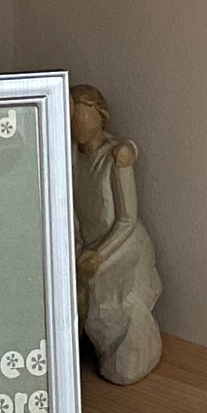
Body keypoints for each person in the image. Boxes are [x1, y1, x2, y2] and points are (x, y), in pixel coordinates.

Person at [69, 84, 163, 385]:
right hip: (90, 248)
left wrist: (99, 254)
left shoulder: (117, 155)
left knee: (115, 314)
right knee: (83, 306)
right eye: (72, 119)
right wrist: (77, 246)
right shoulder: (71, 157)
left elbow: (127, 219)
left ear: (101, 115)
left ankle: (133, 354)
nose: (78, 125)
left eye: (84, 117)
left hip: (122, 248)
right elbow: (73, 208)